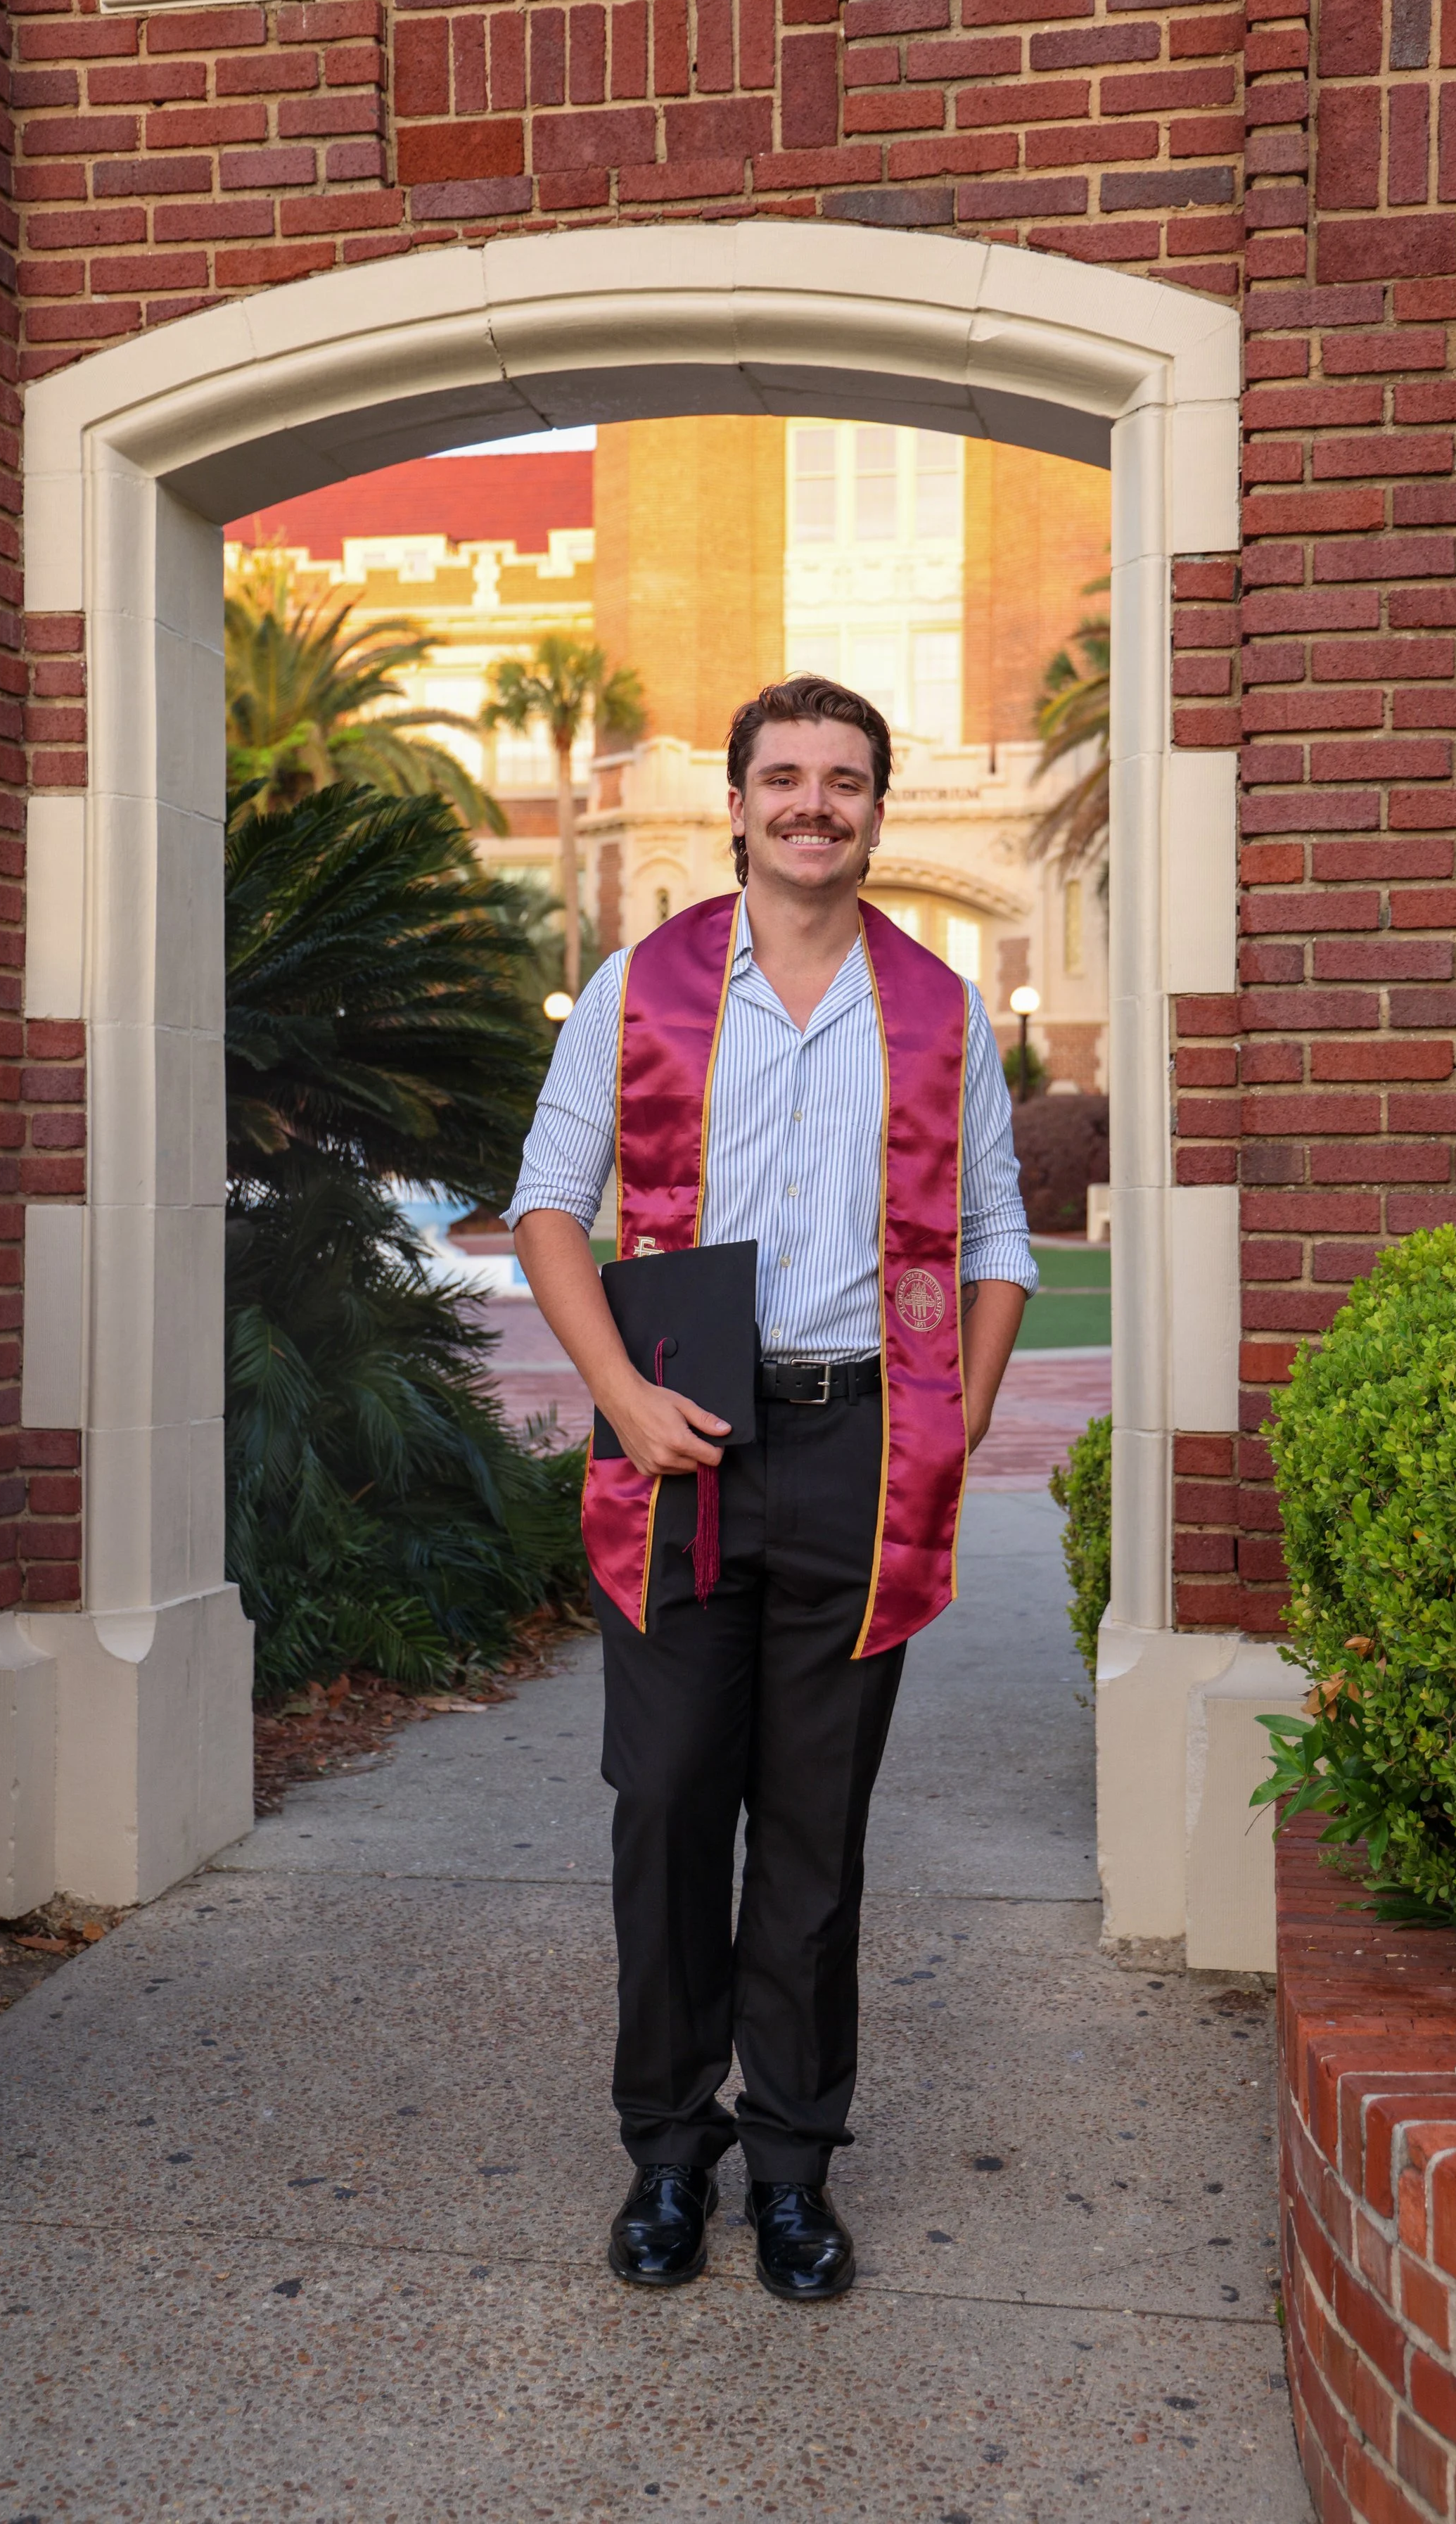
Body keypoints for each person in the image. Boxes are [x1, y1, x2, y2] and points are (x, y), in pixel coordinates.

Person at [507, 675, 1037, 2302]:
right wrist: (620, 1399)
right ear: (734, 803)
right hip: (681, 1443)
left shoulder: (939, 1012)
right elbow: (545, 1207)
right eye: (784, 777)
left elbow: (998, 1245)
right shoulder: (636, 989)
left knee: (812, 1831)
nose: (815, 804)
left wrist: (944, 1427)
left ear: (878, 810)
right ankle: (668, 2151)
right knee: (668, 1804)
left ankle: (791, 2163)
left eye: (846, 780)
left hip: (859, 1456)